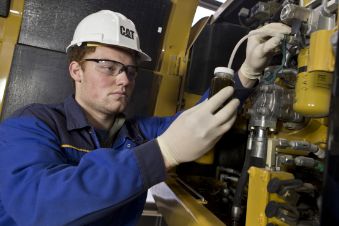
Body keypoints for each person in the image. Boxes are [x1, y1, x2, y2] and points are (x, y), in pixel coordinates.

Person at [0, 10, 291, 226]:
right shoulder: (31, 125)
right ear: (76, 71)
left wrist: (246, 74)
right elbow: (37, 205)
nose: (124, 80)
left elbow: (199, 119)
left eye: (130, 70)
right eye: (109, 66)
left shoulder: (137, 131)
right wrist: (162, 152)